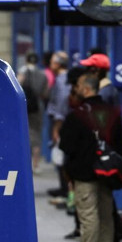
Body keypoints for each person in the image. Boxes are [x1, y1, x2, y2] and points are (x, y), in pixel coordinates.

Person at [61, 73, 122, 242]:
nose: (76, 88)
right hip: (107, 174)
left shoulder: (77, 114)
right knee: (106, 217)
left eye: (78, 85)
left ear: (86, 89)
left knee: (88, 217)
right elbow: (120, 145)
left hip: (84, 174)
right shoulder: (112, 112)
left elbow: (67, 146)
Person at [45, 51, 72, 201]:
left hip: (62, 123)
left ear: (57, 64)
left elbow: (61, 104)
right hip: (63, 122)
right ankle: (64, 188)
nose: (50, 65)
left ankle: (65, 190)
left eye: (52, 62)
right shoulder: (62, 79)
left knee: (61, 155)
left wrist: (57, 127)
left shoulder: (62, 81)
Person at [17, 52, 49, 174]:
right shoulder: (42, 74)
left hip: (24, 106)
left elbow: (18, 87)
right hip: (37, 107)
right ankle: (35, 164)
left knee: (24, 134)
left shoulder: (22, 71)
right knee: (37, 134)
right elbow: (45, 93)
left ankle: (25, 163)